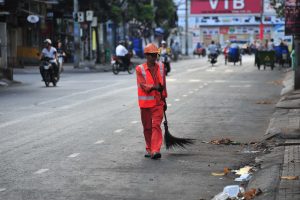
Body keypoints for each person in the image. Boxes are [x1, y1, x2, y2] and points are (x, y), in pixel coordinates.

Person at [135, 43, 167, 160]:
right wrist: (154, 87)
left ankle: (155, 150)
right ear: (146, 56)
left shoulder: (162, 67)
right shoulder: (140, 69)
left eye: (155, 55)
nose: (154, 58)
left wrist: (165, 99)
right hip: (145, 104)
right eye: (152, 55)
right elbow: (143, 85)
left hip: (158, 103)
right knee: (147, 127)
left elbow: (163, 85)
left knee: (156, 126)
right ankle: (149, 148)